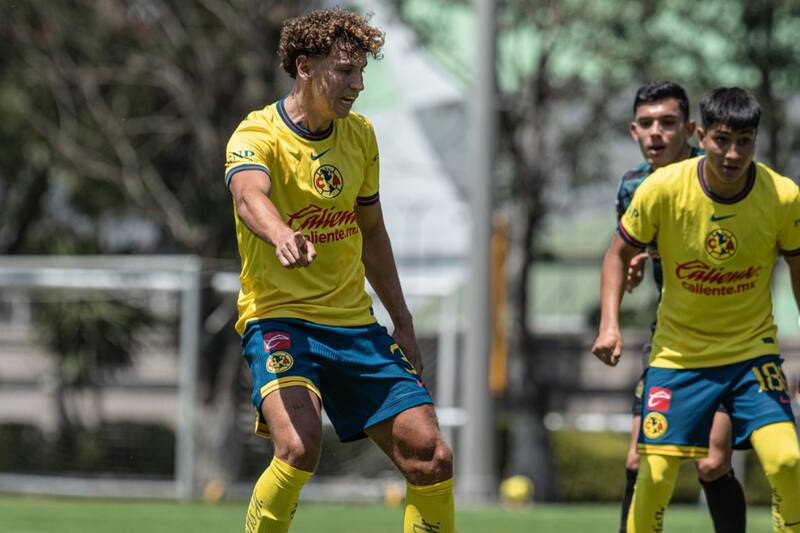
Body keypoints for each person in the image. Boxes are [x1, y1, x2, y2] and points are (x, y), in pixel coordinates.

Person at [224, 8, 454, 533]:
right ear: (304, 67)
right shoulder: (256, 133)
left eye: (361, 72)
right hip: (278, 319)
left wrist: (404, 320)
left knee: (431, 454)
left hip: (353, 326)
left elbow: (372, 232)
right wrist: (281, 233)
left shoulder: (361, 136)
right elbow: (247, 195)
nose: (358, 84)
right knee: (299, 447)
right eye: (346, 71)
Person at [593, 87, 800, 532]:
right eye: (723, 140)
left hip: (750, 351)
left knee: (776, 460)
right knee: (652, 468)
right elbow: (616, 253)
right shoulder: (646, 189)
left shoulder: (781, 196)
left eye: (744, 141)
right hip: (678, 352)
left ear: (688, 131)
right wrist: (609, 323)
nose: (732, 152)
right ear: (704, 137)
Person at [614, 82, 746, 533]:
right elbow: (623, 253)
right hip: (671, 342)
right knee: (638, 458)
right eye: (647, 124)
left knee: (710, 463)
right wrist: (630, 271)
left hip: (732, 341)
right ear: (634, 131)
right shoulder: (633, 185)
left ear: (691, 129)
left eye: (668, 123)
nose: (656, 133)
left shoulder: (720, 172)